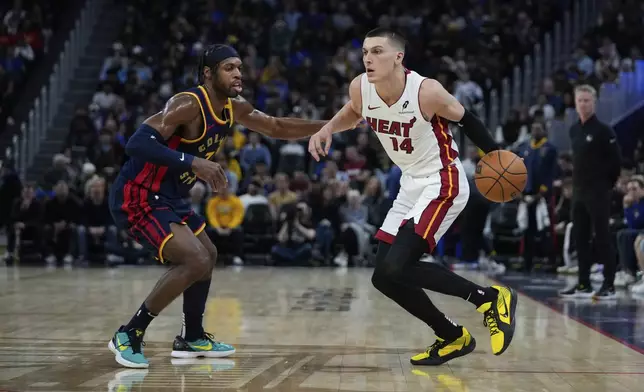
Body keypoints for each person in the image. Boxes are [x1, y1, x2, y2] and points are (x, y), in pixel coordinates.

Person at [107, 44, 327, 369]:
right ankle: (130, 333)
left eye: (239, 66)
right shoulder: (187, 103)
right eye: (229, 67)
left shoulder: (233, 108)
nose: (238, 73)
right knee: (195, 259)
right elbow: (136, 143)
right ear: (209, 74)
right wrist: (192, 161)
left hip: (170, 197)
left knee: (208, 255)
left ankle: (191, 336)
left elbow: (277, 127)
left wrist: (329, 125)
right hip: (138, 194)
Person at [308, 28, 518, 366]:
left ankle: (491, 299)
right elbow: (353, 110)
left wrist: (495, 156)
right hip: (410, 184)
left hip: (442, 180)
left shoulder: (426, 91)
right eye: (365, 52)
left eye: (377, 52)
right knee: (384, 276)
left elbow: (468, 120)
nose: (368, 59)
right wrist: (327, 128)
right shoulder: (361, 87)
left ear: (398, 58)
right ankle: (452, 337)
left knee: (399, 264)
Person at [559, 84, 621, 299]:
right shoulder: (574, 130)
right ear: (575, 104)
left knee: (602, 237)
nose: (583, 104)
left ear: (594, 102)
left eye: (587, 100)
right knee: (580, 237)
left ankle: (609, 285)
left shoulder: (605, 131)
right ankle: (583, 284)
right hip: (578, 192)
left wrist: (604, 186)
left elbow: (616, 164)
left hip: (598, 192)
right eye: (580, 101)